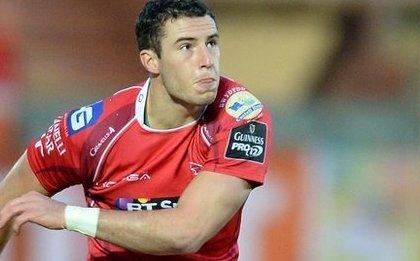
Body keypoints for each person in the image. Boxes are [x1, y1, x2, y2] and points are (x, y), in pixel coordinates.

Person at [0, 0, 272, 260]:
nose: (207, 60)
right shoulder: (94, 131)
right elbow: (7, 203)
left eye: (211, 42)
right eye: (186, 46)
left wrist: (67, 216)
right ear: (151, 61)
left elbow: (187, 233)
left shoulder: (241, 118)